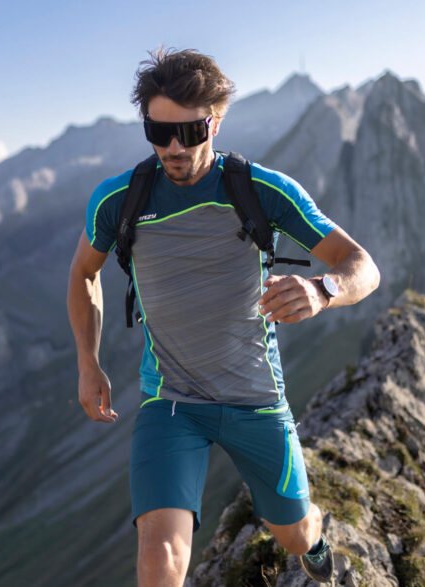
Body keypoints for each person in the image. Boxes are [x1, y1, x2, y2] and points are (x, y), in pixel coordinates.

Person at [67, 48, 380, 586]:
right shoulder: (119, 199)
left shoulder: (260, 190)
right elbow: (83, 274)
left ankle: (312, 534)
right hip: (171, 400)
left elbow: (362, 266)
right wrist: (87, 363)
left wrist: (323, 289)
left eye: (189, 133)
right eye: (158, 132)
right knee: (160, 556)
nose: (172, 147)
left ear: (215, 123)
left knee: (293, 534)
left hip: (255, 399)